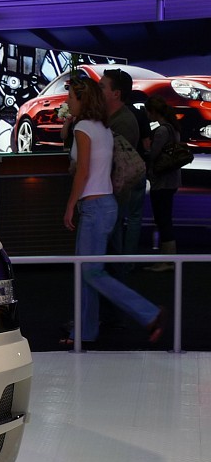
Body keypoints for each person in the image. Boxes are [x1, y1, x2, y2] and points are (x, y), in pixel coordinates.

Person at [60, 77, 163, 347]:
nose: (67, 101)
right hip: (105, 206)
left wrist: (70, 205)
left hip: (94, 208)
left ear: (82, 99)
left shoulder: (84, 127)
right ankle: (84, 332)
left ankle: (148, 313)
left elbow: (83, 171)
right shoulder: (102, 127)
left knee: (90, 273)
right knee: (87, 272)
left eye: (70, 97)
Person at [101, 68, 145, 272]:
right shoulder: (110, 117)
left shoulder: (124, 122)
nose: (98, 91)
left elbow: (117, 164)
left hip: (114, 193)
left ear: (116, 93)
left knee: (112, 244)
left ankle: (118, 279)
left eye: (102, 87)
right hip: (108, 192)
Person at [144, 95, 183, 272]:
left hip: (162, 181)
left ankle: (167, 261)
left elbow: (154, 155)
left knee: (162, 220)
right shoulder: (174, 129)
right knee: (165, 218)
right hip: (173, 179)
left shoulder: (161, 131)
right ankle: (168, 259)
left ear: (153, 111)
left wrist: (147, 149)